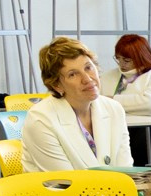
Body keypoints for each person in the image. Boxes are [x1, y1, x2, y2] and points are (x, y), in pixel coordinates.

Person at [22, 37, 129, 173]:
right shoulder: (41, 119)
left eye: (88, 67)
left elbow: (126, 172)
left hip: (113, 192)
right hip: (57, 193)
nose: (87, 79)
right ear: (57, 85)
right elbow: (65, 183)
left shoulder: (114, 109)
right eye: (73, 74)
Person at [111, 32, 151, 164]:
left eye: (127, 60)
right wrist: (135, 102)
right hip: (117, 134)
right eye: (118, 59)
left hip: (148, 136)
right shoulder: (110, 76)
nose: (121, 64)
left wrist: (112, 99)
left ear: (141, 57)